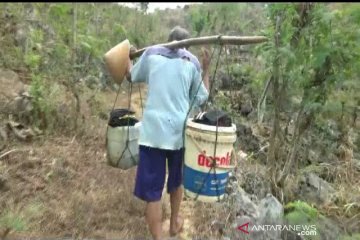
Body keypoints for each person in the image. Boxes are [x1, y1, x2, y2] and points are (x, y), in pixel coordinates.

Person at [125, 26, 211, 240]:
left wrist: (129, 57)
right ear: (187, 47)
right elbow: (202, 97)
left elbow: (131, 76)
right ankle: (173, 223)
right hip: (178, 135)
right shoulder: (192, 62)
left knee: (153, 192)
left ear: (168, 40)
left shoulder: (151, 53)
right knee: (176, 181)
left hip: (152, 134)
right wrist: (206, 69)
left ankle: (158, 237)